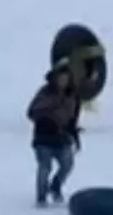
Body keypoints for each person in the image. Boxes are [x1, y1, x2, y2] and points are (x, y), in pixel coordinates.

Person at [27, 62, 81, 205]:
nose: (63, 81)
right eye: (61, 78)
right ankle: (41, 196)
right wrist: (48, 117)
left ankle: (55, 186)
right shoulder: (45, 92)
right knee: (45, 166)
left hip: (62, 137)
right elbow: (32, 111)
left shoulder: (72, 95)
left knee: (67, 165)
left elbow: (72, 118)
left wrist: (75, 136)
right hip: (43, 136)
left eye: (66, 78)